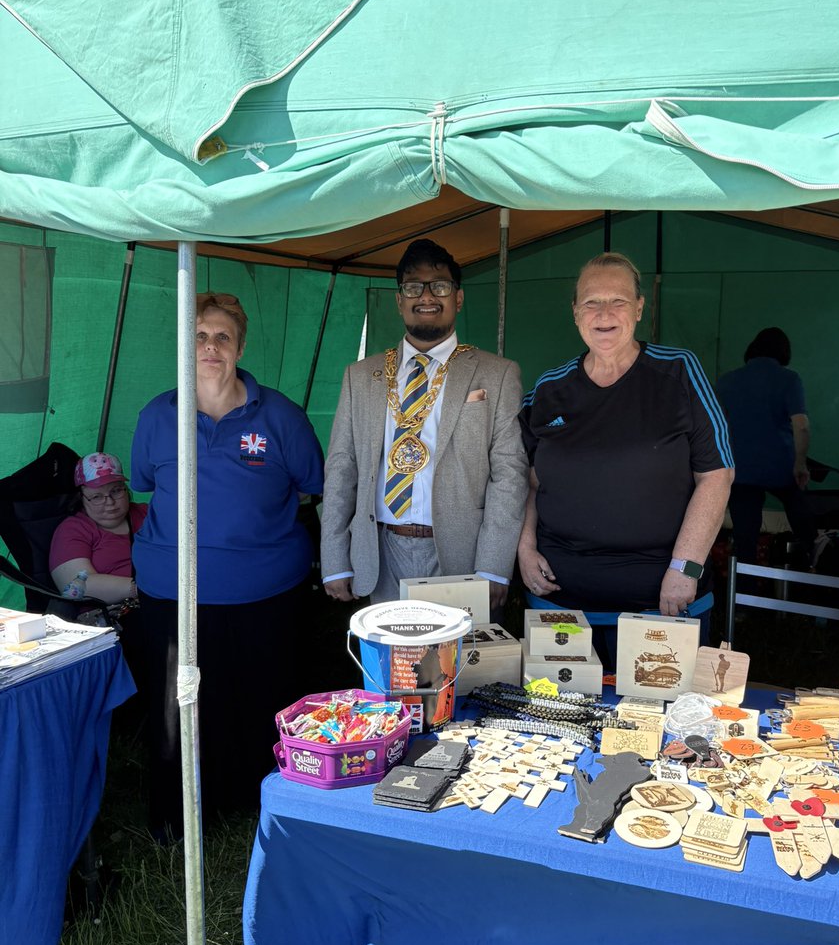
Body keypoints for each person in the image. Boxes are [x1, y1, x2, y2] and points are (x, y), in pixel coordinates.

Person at [131, 292, 324, 838]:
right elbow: (144, 481)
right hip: (172, 591)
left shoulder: (281, 416)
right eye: (198, 336)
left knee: (260, 702)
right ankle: (179, 817)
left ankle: (260, 804)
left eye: (221, 336)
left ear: (240, 346)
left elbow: (315, 485)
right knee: (180, 708)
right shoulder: (156, 415)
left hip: (266, 591)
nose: (210, 346)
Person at [517, 252, 734, 663]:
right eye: (591, 302)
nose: (604, 313)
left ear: (638, 308)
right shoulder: (549, 388)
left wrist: (685, 569)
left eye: (617, 300)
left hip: (662, 602)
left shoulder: (680, 373)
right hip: (559, 602)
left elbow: (717, 475)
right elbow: (528, 480)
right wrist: (524, 550)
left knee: (658, 718)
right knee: (558, 715)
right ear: (575, 312)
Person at [321, 238, 528, 614]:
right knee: (391, 669)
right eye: (414, 287)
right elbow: (341, 467)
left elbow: (509, 472)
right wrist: (335, 556)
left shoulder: (496, 373)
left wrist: (495, 566)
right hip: (382, 553)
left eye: (441, 286)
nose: (427, 296)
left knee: (463, 671)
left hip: (462, 555)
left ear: (458, 299)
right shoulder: (361, 375)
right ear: (400, 300)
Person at [716, 327, 816, 566]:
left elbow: (714, 426)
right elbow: (801, 425)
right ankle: (814, 560)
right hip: (780, 466)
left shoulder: (726, 380)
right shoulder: (789, 379)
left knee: (745, 537)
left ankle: (743, 593)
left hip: (739, 467)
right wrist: (800, 463)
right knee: (798, 508)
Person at [49, 451, 146, 605]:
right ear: (82, 499)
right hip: (114, 614)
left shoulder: (146, 514)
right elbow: (76, 587)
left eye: (116, 491)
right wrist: (147, 590)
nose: (109, 502)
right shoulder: (73, 529)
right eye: (97, 497)